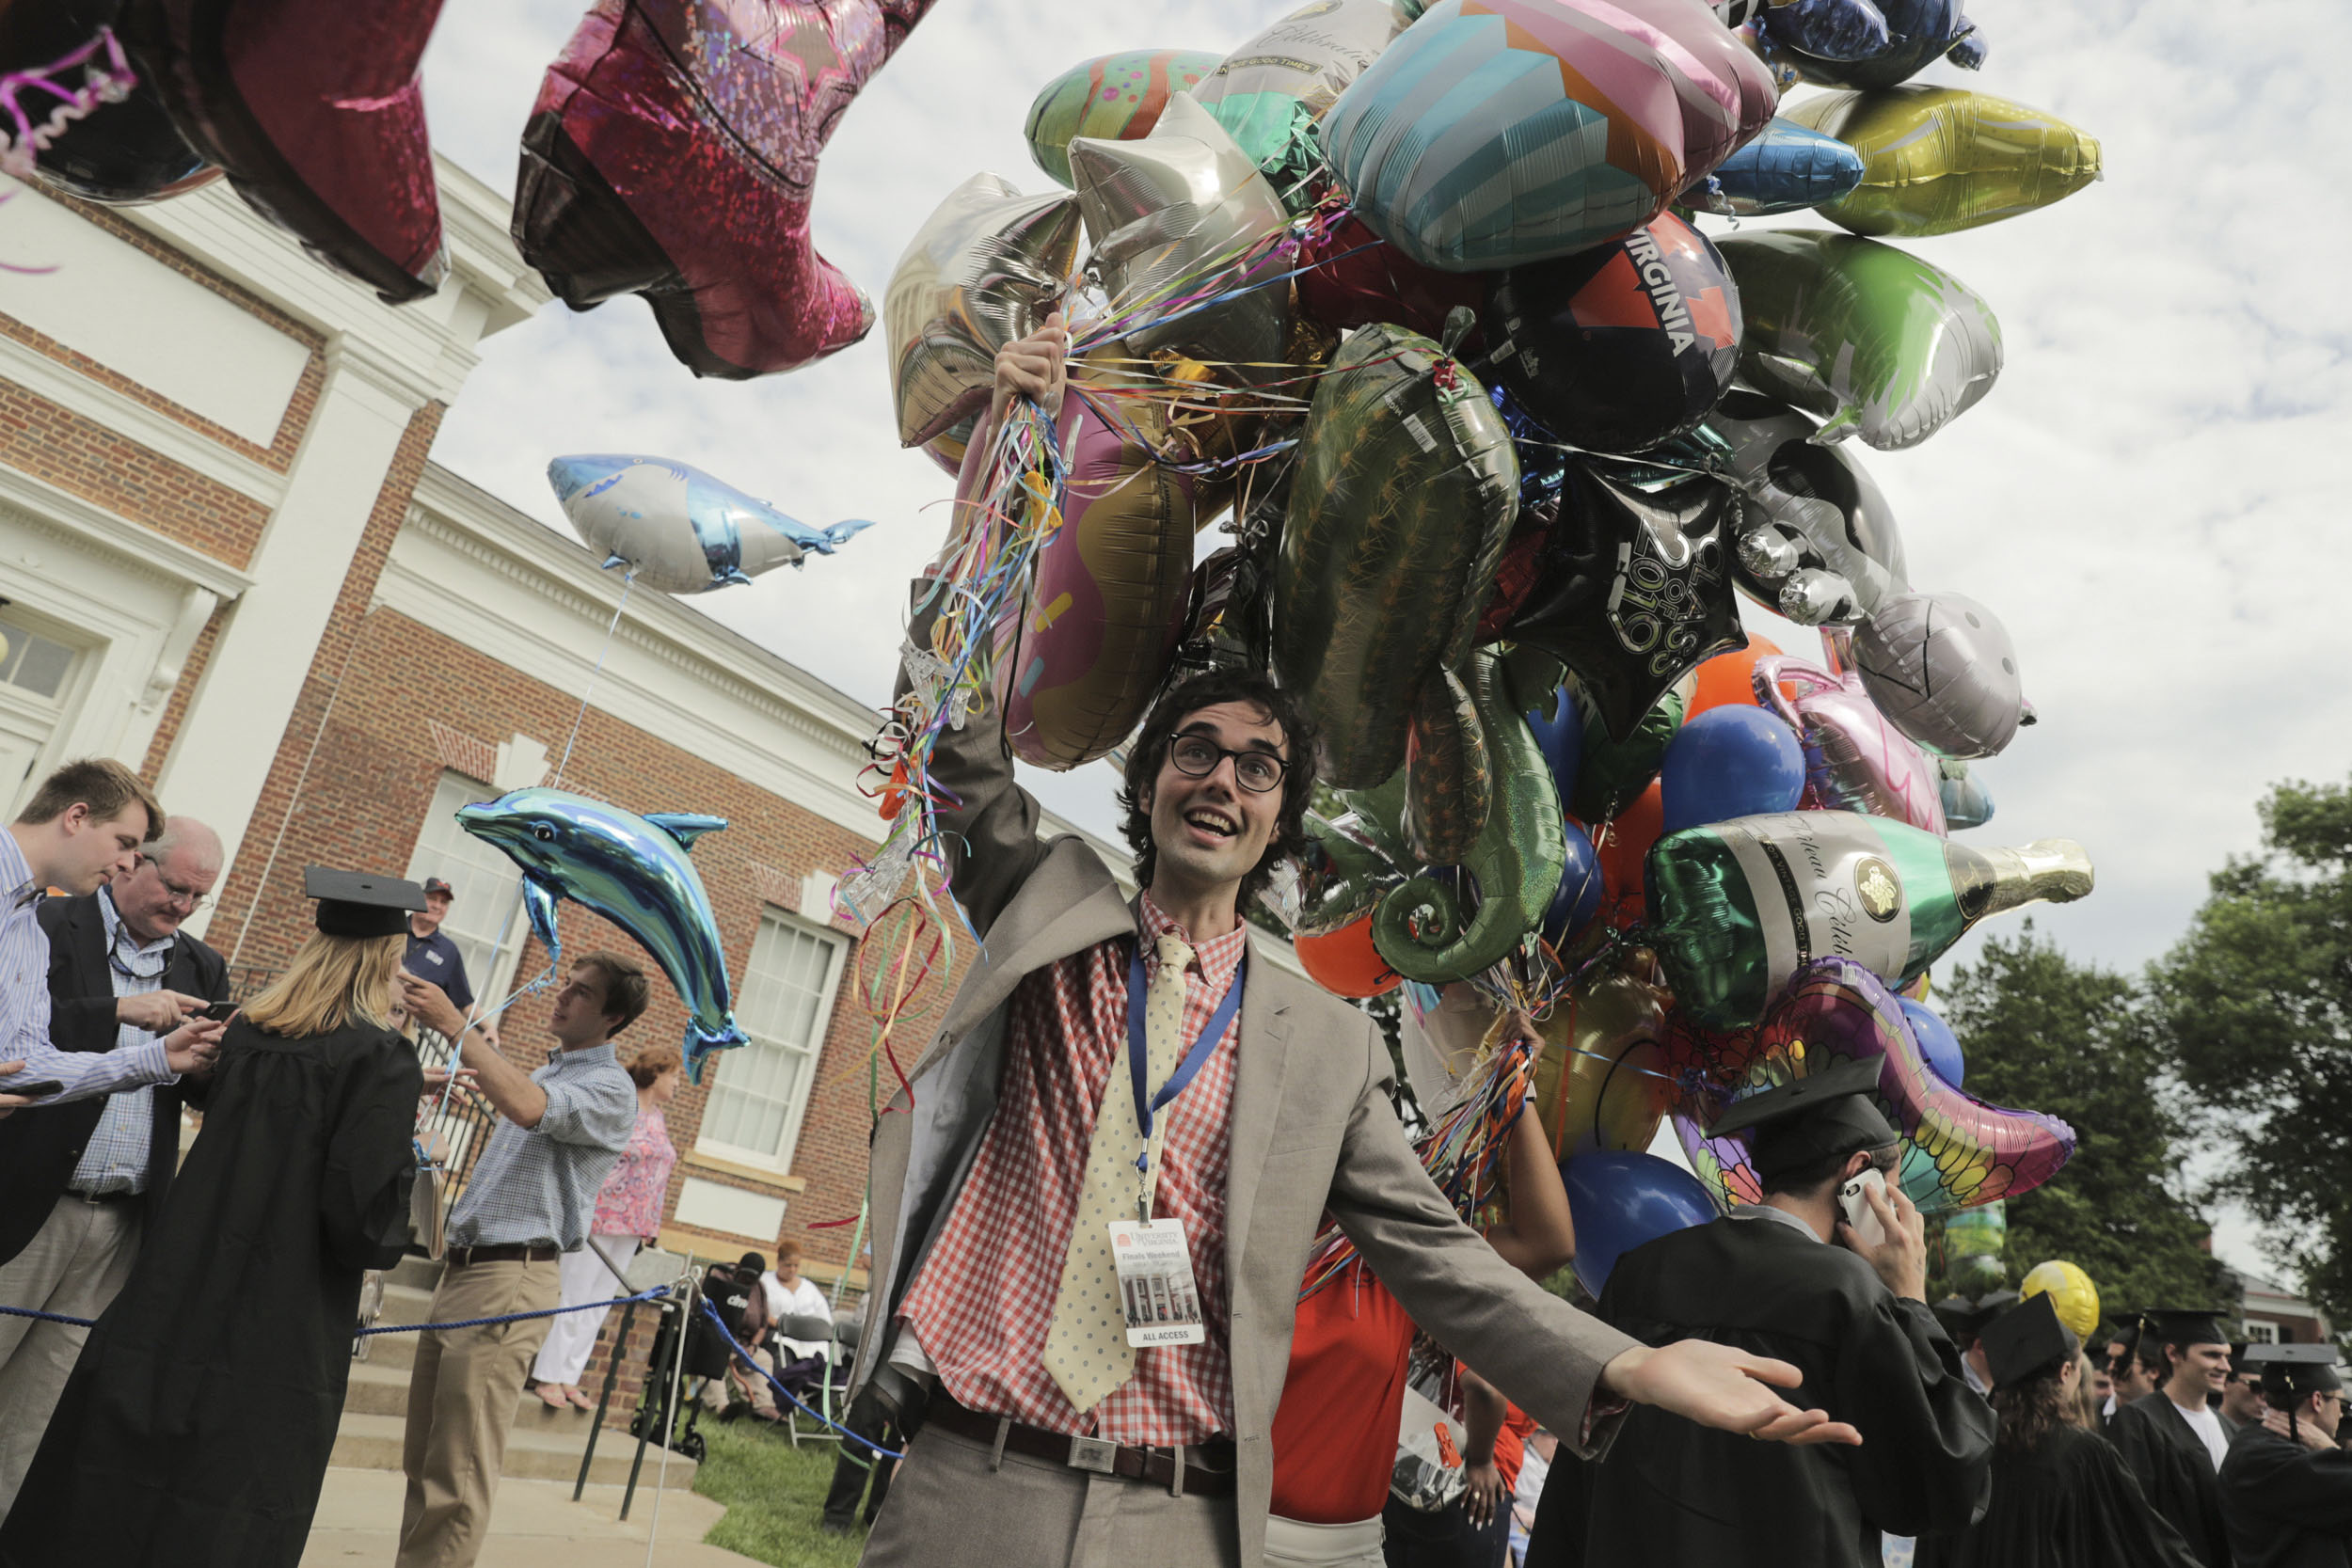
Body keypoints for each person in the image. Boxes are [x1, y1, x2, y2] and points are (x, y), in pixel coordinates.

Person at [845, 321, 1860, 1568]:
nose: (1223, 779)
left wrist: (1634, 1360)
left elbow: (1444, 1258)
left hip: (1180, 1517)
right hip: (970, 1486)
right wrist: (1007, 470)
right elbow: (951, 735)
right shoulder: (1048, 899)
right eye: (1196, 751)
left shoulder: (1321, 1043)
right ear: (1151, 783)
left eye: (1259, 765)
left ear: (1280, 813)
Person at [0, 866, 426, 1565]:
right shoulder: (379, 1059)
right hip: (278, 1314)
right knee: (229, 1491)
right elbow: (361, 1220)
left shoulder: (249, 1033)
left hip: (179, 1284)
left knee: (118, 1470)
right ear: (384, 959)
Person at [1529, 1055, 1997, 1568]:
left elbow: (1579, 1478)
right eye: (1894, 1185)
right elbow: (1940, 1488)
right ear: (1858, 1177)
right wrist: (1912, 1299)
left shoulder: (1639, 1273)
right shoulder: (1850, 1297)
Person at [1267, 1037, 1575, 1568]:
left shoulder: (1391, 1256)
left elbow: (1548, 1243)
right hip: (1229, 1520)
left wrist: (1514, 1085)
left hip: (1346, 1545)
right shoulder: (1259, 1233)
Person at [0, 816, 230, 1511]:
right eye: (176, 886)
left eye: (199, 896)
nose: (183, 907)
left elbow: (200, 1089)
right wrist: (119, 1010)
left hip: (120, 1224)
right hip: (28, 1201)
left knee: (35, 1411)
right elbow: (22, 1040)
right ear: (133, 863)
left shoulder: (202, 965)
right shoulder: (44, 919)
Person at [393, 951, 644, 1568]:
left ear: (612, 1017)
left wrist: (460, 1027)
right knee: (425, 1457)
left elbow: (531, 1108)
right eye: (567, 983)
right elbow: (524, 1099)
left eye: (582, 993)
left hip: (512, 1279)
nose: (563, 996)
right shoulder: (544, 1071)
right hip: (466, 1272)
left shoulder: (609, 1087)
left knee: (459, 1471)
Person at [0, 759, 222, 1118]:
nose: (128, 865)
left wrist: (159, 1057)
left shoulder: (31, 931)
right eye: (124, 843)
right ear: (76, 817)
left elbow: (25, 1065)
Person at [1915, 1292, 2201, 1568]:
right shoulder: (2085, 1455)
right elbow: (2144, 1541)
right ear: (2065, 1372)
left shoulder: (1966, 1444)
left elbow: (1933, 1549)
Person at [528, 1041, 682, 1410]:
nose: (678, 1083)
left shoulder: (658, 1116)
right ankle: (547, 1374)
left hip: (633, 1226)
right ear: (655, 1074)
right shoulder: (624, 1109)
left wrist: (651, 1225)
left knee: (598, 1303)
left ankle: (569, 1376)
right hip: (599, 1217)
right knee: (573, 1294)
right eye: (674, 1076)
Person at [2109, 1308, 2239, 1566]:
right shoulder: (2139, 1421)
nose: (2225, 1366)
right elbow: (2138, 1516)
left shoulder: (2230, 1429)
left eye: (2226, 1356)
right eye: (2212, 1355)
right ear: (2173, 1354)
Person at [2220, 1343, 2352, 1567]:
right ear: (2317, 1400)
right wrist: (2330, 1449)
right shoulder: (2266, 1458)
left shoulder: (2258, 1444)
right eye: (2342, 1403)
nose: (2342, 1413)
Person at [762, 1241, 834, 1394]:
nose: (792, 1270)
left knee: (822, 1357)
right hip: (778, 1336)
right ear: (779, 1262)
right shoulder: (765, 1282)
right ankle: (781, 1398)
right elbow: (760, 1310)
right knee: (784, 1355)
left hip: (809, 1340)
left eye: (796, 1266)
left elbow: (825, 1320)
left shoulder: (808, 1288)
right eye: (788, 1265)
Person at [2221, 1347, 2266, 1436]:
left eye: (2268, 1389)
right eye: (2256, 1387)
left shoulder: (2272, 1436)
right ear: (2225, 1383)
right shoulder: (2204, 1429)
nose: (2264, 1397)